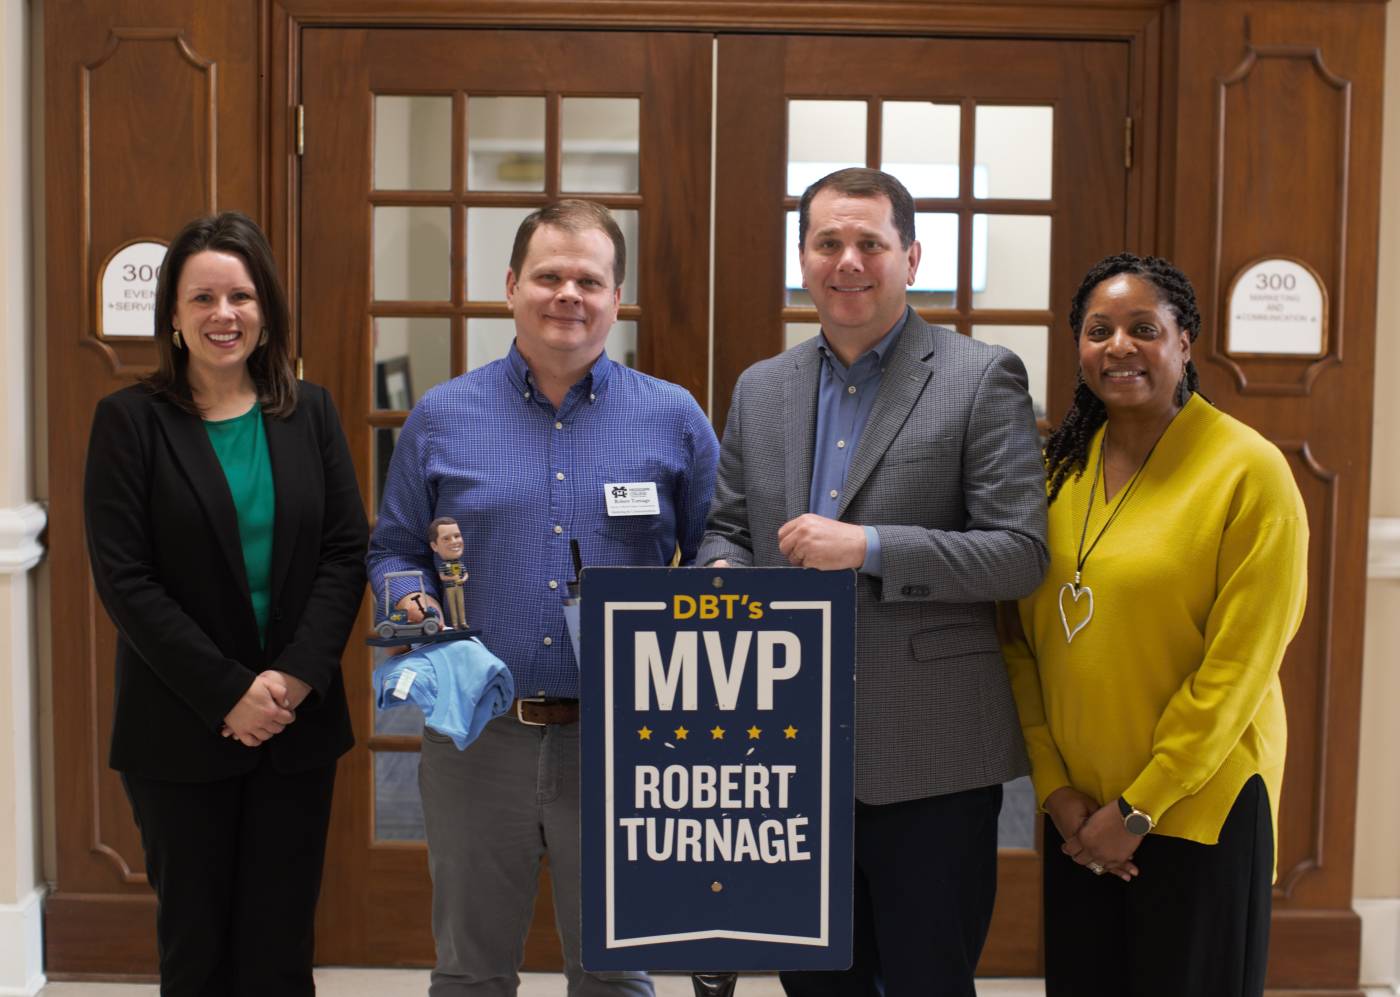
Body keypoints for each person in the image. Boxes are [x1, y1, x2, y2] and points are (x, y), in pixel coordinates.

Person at [699, 168, 1048, 996]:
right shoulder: (761, 387)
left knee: (930, 978)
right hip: (787, 752)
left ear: (911, 256)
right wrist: (724, 573)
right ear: (803, 257)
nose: (847, 260)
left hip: (930, 755)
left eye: (870, 243)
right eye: (828, 243)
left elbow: (1020, 552)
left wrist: (872, 545)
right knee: (816, 982)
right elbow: (728, 525)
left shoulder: (980, 375)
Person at [368, 199, 719, 996]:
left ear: (617, 297)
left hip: (625, 739)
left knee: (616, 972)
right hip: (477, 736)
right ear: (510, 287)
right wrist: (415, 612)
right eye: (549, 275)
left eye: (588, 279)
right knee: (470, 969)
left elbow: (715, 551)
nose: (569, 294)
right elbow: (395, 548)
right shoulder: (443, 415)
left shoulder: (674, 417)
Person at [1002, 253, 1309, 996]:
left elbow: (1236, 671)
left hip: (1196, 808)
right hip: (1080, 819)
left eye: (1144, 328)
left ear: (1184, 342)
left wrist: (1139, 807)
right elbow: (1020, 643)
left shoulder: (1250, 472)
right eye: (1098, 329)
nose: (1119, 346)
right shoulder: (1056, 473)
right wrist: (1056, 791)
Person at [83, 211, 368, 996]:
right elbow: (125, 580)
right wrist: (229, 692)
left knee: (279, 952)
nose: (223, 314)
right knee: (197, 951)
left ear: (266, 310)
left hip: (295, 724)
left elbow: (347, 551)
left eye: (240, 295)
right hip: (179, 729)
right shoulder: (129, 422)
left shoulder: (310, 412)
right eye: (202, 297)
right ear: (171, 315)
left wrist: (293, 681)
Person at [429, 516, 469, 628]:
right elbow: (442, 576)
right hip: (450, 587)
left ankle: (463, 622)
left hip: (459, 586)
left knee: (461, 605)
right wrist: (452, 578)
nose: (454, 541)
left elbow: (465, 574)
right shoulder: (444, 566)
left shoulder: (459, 564)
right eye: (446, 539)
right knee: (452, 605)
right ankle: (455, 624)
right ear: (434, 546)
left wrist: (462, 579)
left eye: (457, 536)